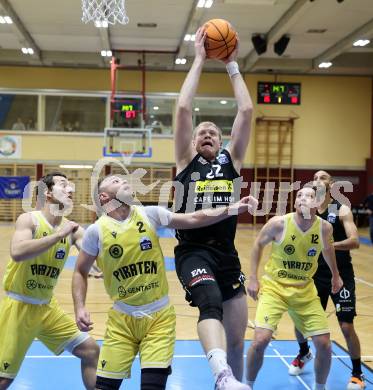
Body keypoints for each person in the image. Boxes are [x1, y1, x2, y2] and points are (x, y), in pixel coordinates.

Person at [72, 174, 257, 390]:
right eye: (115, 181)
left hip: (159, 319)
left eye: (124, 179)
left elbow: (195, 219)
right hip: (122, 321)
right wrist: (79, 307)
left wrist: (233, 208)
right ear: (104, 196)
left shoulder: (150, 214)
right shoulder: (96, 231)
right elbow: (79, 271)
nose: (123, 181)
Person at [173, 26, 253, 389]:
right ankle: (221, 376)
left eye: (213, 132)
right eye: (200, 131)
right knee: (210, 304)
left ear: (222, 143)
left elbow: (247, 110)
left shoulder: (231, 161)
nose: (206, 133)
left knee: (236, 338)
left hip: (227, 256)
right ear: (192, 141)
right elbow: (184, 107)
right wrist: (201, 59)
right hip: (193, 252)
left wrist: (233, 65)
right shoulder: (185, 161)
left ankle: (231, 382)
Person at [0, 172, 99, 390]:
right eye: (63, 185)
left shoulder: (73, 230)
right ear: (48, 193)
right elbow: (17, 252)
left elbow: (96, 258)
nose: (70, 190)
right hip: (18, 308)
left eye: (71, 186)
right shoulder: (30, 219)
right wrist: (57, 235)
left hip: (46, 308)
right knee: (3, 379)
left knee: (91, 351)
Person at [246, 186, 343, 390]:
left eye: (309, 196)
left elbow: (327, 249)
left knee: (324, 344)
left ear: (318, 203)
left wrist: (336, 275)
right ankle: (247, 385)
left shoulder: (324, 228)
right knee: (260, 340)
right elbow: (257, 245)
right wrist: (253, 278)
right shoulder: (279, 223)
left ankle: (320, 387)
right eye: (299, 195)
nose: (302, 199)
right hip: (275, 288)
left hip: (305, 290)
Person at [289, 171, 365, 390]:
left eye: (323, 177)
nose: (318, 180)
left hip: (341, 275)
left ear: (331, 185)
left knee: (346, 325)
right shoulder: (306, 212)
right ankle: (304, 353)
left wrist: (329, 245)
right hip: (313, 276)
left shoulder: (341, 209)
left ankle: (357, 373)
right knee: (300, 320)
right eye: (315, 177)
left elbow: (355, 241)